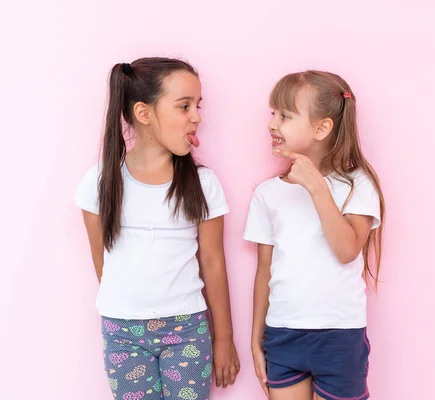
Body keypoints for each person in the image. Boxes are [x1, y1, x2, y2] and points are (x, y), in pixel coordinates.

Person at [75, 57, 239, 400]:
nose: (196, 116)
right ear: (143, 113)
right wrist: (129, 304)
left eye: (198, 105)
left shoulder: (203, 183)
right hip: (122, 330)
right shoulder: (101, 181)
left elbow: (213, 263)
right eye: (183, 106)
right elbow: (102, 261)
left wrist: (223, 338)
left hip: (187, 330)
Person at [245, 70, 385, 400]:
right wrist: (256, 337)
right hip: (282, 332)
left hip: (340, 336)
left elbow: (347, 249)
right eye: (273, 114)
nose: (272, 124)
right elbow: (264, 270)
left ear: (322, 127)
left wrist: (317, 187)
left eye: (285, 115)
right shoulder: (267, 194)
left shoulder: (358, 185)